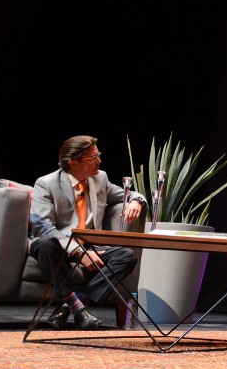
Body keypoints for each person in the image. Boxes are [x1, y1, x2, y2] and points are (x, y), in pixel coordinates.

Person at [30, 135, 146, 330]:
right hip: (59, 244)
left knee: (127, 256)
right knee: (43, 244)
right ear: (73, 162)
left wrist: (136, 201)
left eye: (98, 155)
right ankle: (78, 308)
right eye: (93, 158)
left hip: (91, 245)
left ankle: (71, 305)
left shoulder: (99, 179)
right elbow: (43, 227)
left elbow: (129, 194)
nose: (99, 161)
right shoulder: (46, 183)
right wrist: (78, 252)